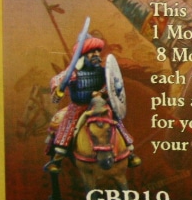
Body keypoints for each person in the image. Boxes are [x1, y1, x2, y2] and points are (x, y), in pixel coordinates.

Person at [46, 36, 135, 171]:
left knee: (116, 121)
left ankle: (129, 153)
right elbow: (57, 79)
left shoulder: (103, 71)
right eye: (92, 52)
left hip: (99, 104)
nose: (96, 54)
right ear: (83, 55)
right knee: (66, 125)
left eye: (98, 51)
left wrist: (101, 92)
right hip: (78, 106)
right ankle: (57, 159)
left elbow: (110, 85)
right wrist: (57, 88)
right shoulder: (74, 72)